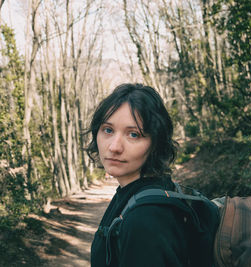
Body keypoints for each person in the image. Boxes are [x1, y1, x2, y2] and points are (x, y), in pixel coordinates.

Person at [87, 84, 214, 267]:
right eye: (108, 130)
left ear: (155, 143)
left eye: (133, 134)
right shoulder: (137, 193)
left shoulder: (146, 220)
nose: (114, 147)